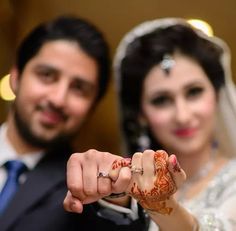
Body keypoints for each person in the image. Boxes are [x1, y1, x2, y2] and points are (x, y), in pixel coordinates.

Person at [64, 18, 236, 230]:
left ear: (217, 95)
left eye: (194, 92)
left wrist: (160, 205)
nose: (182, 116)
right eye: (161, 100)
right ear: (140, 115)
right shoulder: (125, 192)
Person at [0, 15, 147, 231]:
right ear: (16, 77)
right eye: (47, 75)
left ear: (92, 107)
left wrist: (115, 195)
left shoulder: (83, 192)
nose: (58, 99)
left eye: (79, 88)